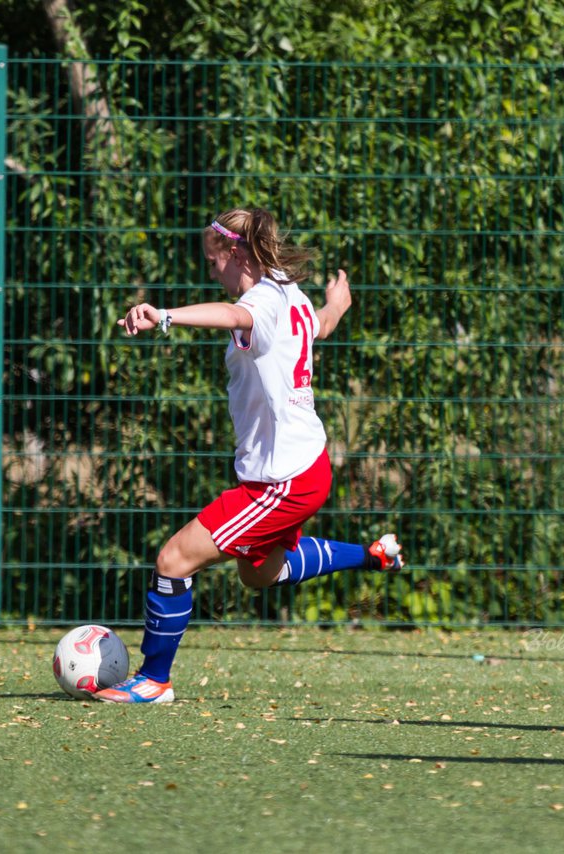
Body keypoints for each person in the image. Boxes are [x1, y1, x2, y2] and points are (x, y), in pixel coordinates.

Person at [96, 208, 403, 704]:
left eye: (213, 262)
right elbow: (319, 327)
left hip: (281, 480)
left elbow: (236, 315)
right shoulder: (291, 293)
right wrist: (337, 307)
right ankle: (371, 555)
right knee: (260, 573)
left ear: (235, 252)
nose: (211, 272)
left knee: (174, 559)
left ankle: (154, 681)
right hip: (307, 468)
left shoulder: (259, 300)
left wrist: (165, 315)